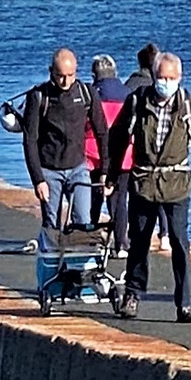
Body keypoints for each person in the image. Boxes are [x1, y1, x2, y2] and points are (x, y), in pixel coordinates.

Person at [104, 52, 191, 322]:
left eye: (171, 78)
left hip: (176, 183)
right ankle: (132, 294)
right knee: (139, 241)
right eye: (161, 77)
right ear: (154, 77)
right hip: (144, 182)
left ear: (179, 78)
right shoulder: (137, 101)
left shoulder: (189, 106)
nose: (165, 82)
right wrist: (111, 175)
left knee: (179, 241)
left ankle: (184, 304)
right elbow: (118, 137)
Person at [23, 49, 110, 250]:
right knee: (51, 224)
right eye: (60, 76)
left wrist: (105, 170)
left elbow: (103, 133)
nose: (65, 81)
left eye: (70, 76)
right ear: (51, 72)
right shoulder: (38, 97)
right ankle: (49, 271)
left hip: (78, 168)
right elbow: (30, 141)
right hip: (49, 170)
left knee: (83, 221)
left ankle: (79, 269)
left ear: (76, 72)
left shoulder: (87, 94)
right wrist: (38, 179)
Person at [85, 54, 133, 254]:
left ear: (95, 74)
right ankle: (120, 244)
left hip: (93, 153)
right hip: (124, 155)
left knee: (93, 199)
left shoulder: (90, 94)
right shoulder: (128, 93)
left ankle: (90, 239)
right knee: (119, 200)